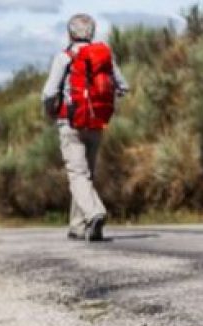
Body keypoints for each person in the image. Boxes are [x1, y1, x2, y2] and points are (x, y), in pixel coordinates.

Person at [41, 13, 129, 242]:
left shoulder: (64, 57)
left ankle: (94, 213)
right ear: (92, 32)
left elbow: (49, 93)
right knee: (85, 175)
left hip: (70, 123)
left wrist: (51, 111)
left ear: (70, 33)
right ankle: (77, 227)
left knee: (77, 175)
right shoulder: (104, 57)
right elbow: (123, 86)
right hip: (96, 123)